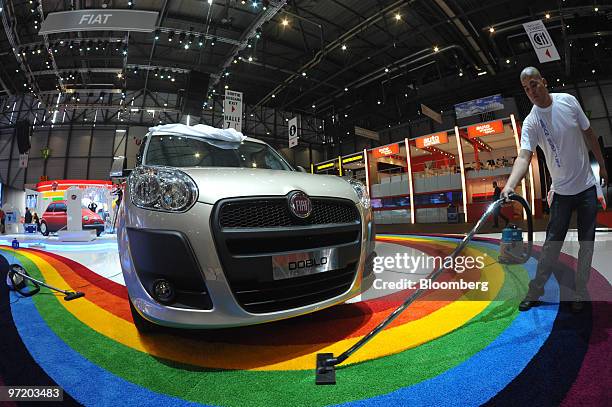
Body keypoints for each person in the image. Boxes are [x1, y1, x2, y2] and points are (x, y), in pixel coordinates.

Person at [502, 66, 608, 313]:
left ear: (544, 82)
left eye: (534, 85)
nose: (532, 92)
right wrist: (510, 184)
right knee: (551, 245)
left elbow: (590, 134)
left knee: (587, 243)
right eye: (526, 89)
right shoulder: (531, 122)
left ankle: (581, 291)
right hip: (561, 193)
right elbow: (523, 156)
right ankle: (535, 290)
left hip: (586, 189)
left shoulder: (568, 102)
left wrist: (602, 166)